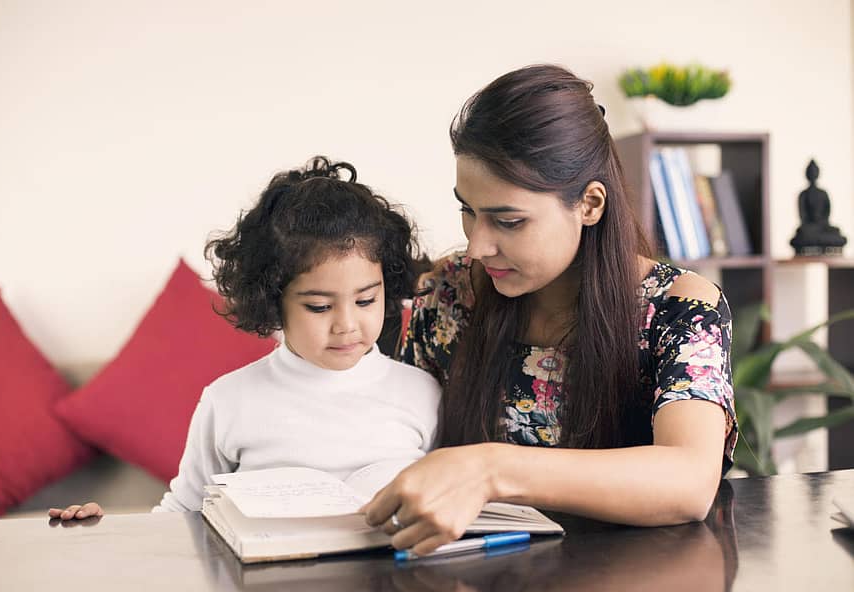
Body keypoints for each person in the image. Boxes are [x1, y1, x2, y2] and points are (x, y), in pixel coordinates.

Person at [361, 64, 738, 556]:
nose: (477, 246)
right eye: (467, 210)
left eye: (509, 221)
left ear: (590, 204)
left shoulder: (681, 308)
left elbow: (688, 480)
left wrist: (490, 469)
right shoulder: (451, 295)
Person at [49, 157, 441, 520]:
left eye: (366, 300)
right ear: (273, 301)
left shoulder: (421, 392)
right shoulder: (228, 400)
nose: (347, 324)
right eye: (319, 307)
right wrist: (103, 536)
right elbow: (183, 514)